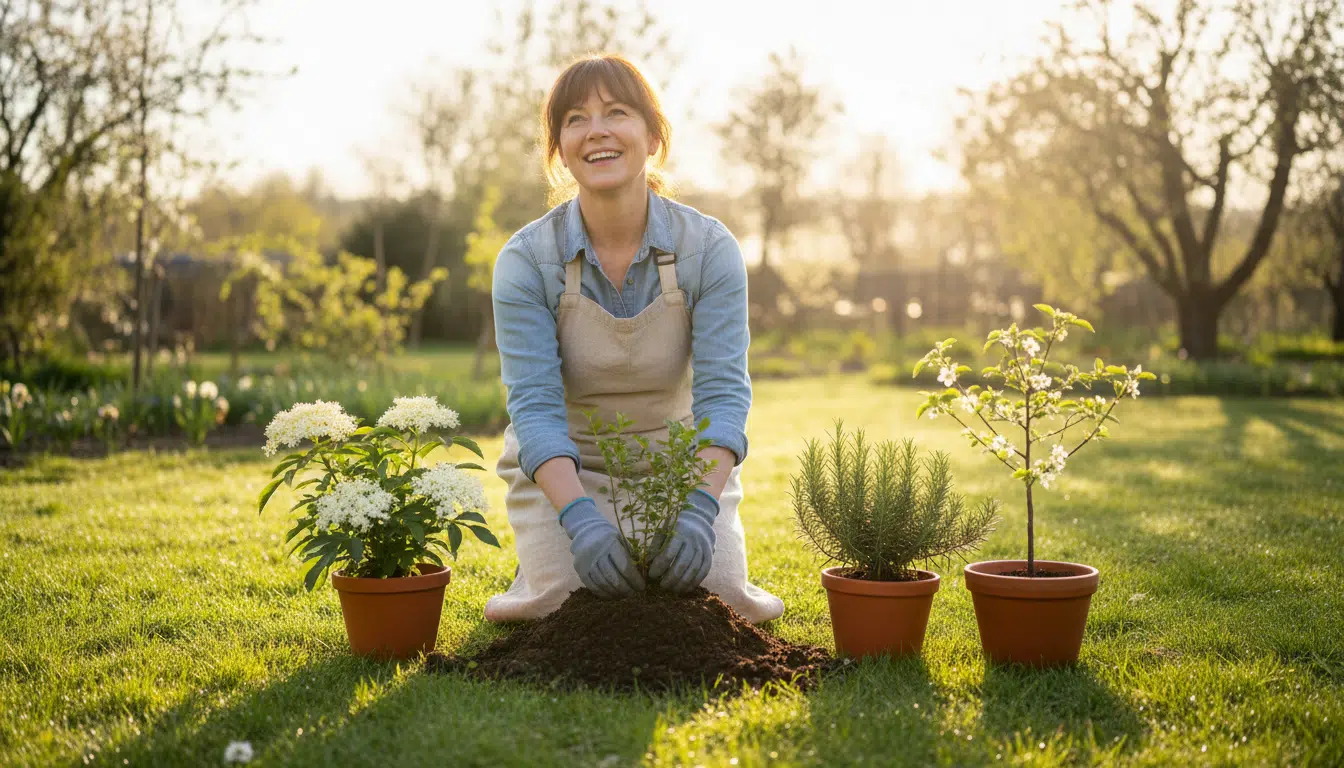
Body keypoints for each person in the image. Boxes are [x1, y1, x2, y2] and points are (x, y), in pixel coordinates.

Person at [483, 54, 783, 624]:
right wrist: (579, 519)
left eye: (616, 112)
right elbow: (535, 408)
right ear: (560, 149)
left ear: (652, 137)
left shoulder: (709, 249)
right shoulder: (527, 260)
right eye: (575, 118)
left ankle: (696, 534)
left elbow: (724, 395)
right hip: (568, 467)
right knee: (563, 603)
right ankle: (539, 562)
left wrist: (699, 509)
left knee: (717, 596)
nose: (596, 129)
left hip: (677, 465)